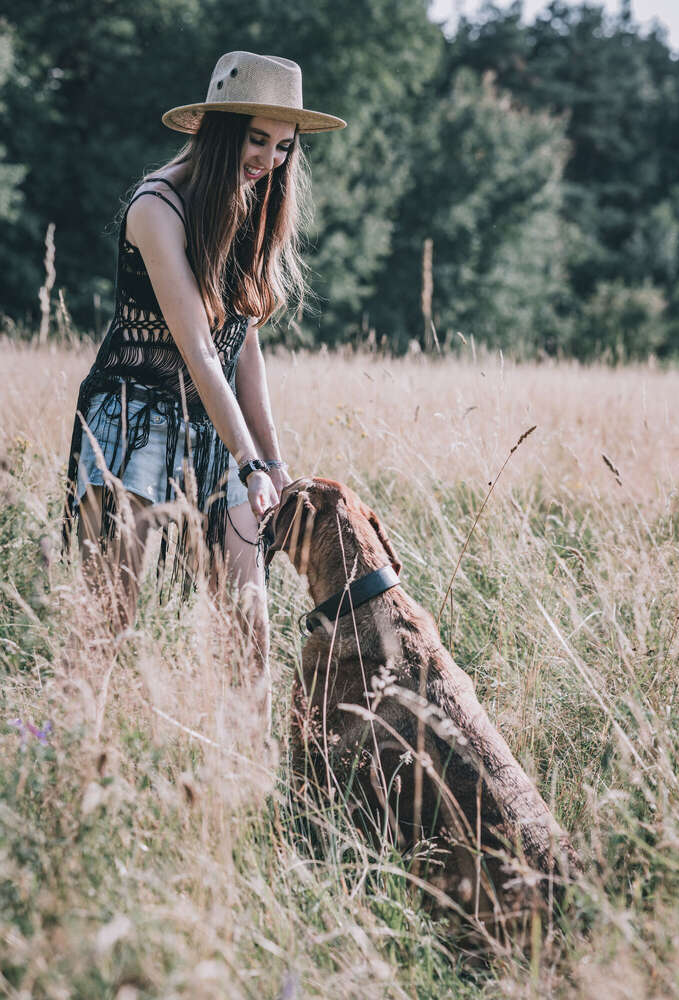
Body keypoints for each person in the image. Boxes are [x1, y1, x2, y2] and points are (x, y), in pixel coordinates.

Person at [61, 51, 346, 725]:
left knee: (246, 616)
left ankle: (251, 773)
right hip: (130, 424)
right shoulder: (155, 208)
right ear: (219, 129)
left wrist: (271, 463)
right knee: (108, 616)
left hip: (214, 427)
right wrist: (249, 459)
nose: (270, 159)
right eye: (256, 140)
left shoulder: (250, 205)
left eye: (283, 146)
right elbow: (196, 350)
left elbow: (241, 342)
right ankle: (69, 752)